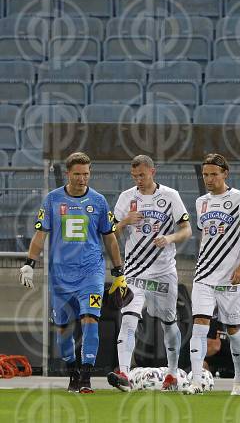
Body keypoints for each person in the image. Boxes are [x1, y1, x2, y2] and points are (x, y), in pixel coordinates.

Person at [19, 152, 124, 393]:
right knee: (64, 330)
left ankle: (86, 377)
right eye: (77, 174)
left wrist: (118, 271)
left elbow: (110, 238)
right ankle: (72, 371)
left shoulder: (98, 201)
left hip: (91, 272)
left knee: (90, 320)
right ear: (68, 174)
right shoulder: (53, 200)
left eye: (86, 174)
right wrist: (29, 263)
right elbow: (40, 234)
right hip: (61, 276)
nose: (82, 178)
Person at [107, 155, 192, 392]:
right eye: (134, 176)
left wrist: (170, 238)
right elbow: (109, 232)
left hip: (164, 271)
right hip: (134, 271)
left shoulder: (170, 196)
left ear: (152, 172)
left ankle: (172, 373)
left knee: (168, 322)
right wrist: (124, 221)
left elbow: (186, 229)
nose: (138, 180)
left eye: (142, 175)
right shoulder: (126, 198)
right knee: (129, 318)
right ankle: (123, 373)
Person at [185, 154, 240, 396]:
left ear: (225, 173)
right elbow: (207, 237)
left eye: (214, 174)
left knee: (235, 331)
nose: (209, 178)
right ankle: (195, 381)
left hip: (232, 278)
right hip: (204, 275)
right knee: (199, 326)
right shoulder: (201, 202)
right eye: (205, 174)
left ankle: (239, 380)